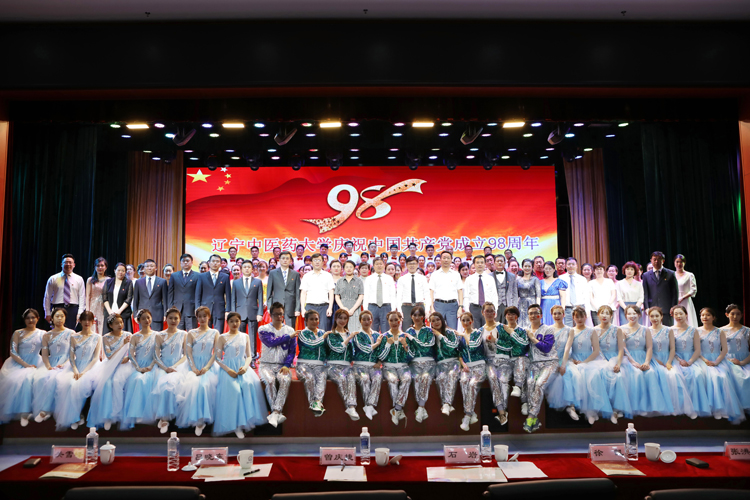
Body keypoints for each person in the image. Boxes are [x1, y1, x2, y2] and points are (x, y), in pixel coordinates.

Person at [213, 312, 268, 437]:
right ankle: (236, 425)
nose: (234, 323)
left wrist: (245, 367)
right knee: (235, 391)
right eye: (231, 321)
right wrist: (228, 370)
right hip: (227, 369)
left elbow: (249, 356)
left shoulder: (245, 336)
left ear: (240, 322)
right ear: (227, 322)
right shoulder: (222, 337)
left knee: (248, 385)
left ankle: (245, 422)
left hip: (242, 367)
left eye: (237, 321)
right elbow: (217, 358)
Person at [54, 311, 103, 430]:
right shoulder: (74, 336)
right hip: (75, 366)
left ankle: (79, 415)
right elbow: (71, 357)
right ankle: (74, 417)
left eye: (89, 320)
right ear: (80, 321)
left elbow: (95, 358)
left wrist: (84, 372)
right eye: (84, 320)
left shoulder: (97, 337)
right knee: (69, 384)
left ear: (93, 322)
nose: (87, 322)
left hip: (91, 367)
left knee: (81, 385)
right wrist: (75, 370)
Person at [176, 306, 220, 436]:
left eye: (204, 316)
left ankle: (203, 419)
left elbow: (216, 353)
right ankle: (196, 420)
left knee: (205, 386)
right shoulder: (191, 333)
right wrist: (193, 368)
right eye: (199, 316)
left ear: (209, 317)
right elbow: (188, 352)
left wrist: (206, 367)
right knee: (192, 386)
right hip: (192, 365)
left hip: (208, 365)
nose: (202, 319)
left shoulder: (215, 333)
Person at [696, 308, 745, 422]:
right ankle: (711, 408)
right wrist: (705, 360)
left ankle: (722, 409)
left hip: (718, 359)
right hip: (702, 359)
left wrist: (717, 362)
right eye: (703, 315)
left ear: (713, 317)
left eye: (708, 315)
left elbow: (724, 350)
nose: (705, 317)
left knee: (722, 377)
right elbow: (696, 350)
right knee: (711, 376)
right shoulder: (696, 331)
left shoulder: (720, 331)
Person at [648, 306, 698, 418]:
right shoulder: (647, 331)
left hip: (668, 359)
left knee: (674, 375)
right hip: (653, 359)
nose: (654, 318)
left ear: (661, 316)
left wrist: (669, 362)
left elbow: (672, 349)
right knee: (655, 375)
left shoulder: (668, 330)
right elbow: (647, 349)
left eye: (657, 316)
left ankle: (677, 407)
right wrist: (656, 361)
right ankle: (659, 406)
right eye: (652, 316)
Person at [483, 306, 529, 425]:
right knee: (502, 380)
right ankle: (502, 411)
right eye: (508, 314)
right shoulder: (501, 328)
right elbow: (507, 346)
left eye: (513, 314)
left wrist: (511, 333)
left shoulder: (522, 330)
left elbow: (522, 345)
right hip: (505, 361)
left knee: (524, 368)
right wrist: (497, 341)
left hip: (519, 359)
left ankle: (523, 400)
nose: (510, 316)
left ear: (517, 316)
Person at [568, 306, 614, 424]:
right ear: (573, 318)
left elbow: (596, 351)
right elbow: (567, 349)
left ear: (585, 317)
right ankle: (574, 408)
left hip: (589, 361)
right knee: (573, 375)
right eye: (577, 317)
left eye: (581, 316)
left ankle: (592, 411)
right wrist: (572, 360)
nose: (579, 319)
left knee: (594, 376)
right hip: (575, 360)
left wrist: (584, 362)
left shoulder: (591, 331)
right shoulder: (571, 331)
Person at [87, 314, 133, 430]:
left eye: (121, 322)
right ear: (110, 325)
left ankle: (118, 415)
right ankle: (106, 417)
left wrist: (128, 357)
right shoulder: (106, 338)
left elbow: (133, 351)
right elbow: (109, 355)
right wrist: (122, 345)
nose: (120, 325)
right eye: (116, 323)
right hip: (110, 364)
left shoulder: (128, 335)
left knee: (118, 382)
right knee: (106, 384)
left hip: (125, 365)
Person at [621, 306, 668, 417]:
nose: (632, 316)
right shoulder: (621, 329)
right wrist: (633, 362)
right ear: (626, 316)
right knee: (636, 375)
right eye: (629, 314)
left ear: (639, 315)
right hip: (628, 358)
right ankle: (636, 407)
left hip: (643, 357)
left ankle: (652, 406)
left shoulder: (645, 329)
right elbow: (623, 348)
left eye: (634, 313)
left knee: (651, 373)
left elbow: (649, 347)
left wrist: (647, 362)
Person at [0, 309, 44, 426]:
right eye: (28, 318)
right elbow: (13, 352)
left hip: (37, 362)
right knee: (18, 380)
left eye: (33, 317)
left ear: (37, 319)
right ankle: (20, 412)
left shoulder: (43, 333)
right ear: (24, 320)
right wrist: (26, 365)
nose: (30, 320)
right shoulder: (18, 333)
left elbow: (49, 349)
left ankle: (34, 411)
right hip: (18, 362)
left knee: (39, 379)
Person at [258, 302, 297, 427]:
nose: (279, 317)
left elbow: (292, 351)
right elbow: (271, 342)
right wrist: (288, 337)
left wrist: (287, 364)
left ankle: (275, 412)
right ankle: (276, 412)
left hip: (282, 365)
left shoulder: (290, 330)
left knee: (285, 380)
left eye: (281, 314)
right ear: (270, 315)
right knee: (270, 381)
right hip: (266, 364)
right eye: (276, 314)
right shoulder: (263, 329)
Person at [31, 308, 72, 423]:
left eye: (62, 316)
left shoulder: (71, 333)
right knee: (40, 379)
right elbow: (44, 355)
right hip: (51, 362)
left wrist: (64, 364)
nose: (60, 319)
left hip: (67, 362)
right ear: (52, 318)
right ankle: (47, 410)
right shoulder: (47, 335)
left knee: (55, 379)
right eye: (57, 316)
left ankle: (45, 410)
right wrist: (48, 366)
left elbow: (72, 354)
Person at [670, 305, 712, 418]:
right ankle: (680, 407)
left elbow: (697, 350)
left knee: (697, 375)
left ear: (686, 314)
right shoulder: (670, 330)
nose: (678, 316)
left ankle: (695, 407)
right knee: (676, 376)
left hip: (692, 358)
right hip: (676, 358)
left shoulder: (693, 330)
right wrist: (679, 360)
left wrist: (689, 362)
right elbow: (671, 349)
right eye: (676, 314)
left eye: (681, 313)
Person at [594, 305, 633, 423]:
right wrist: (605, 362)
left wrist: (618, 364)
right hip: (600, 359)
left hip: (616, 359)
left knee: (618, 377)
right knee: (598, 375)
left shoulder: (617, 330)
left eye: (607, 313)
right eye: (602, 313)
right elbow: (596, 349)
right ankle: (603, 408)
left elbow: (621, 349)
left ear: (611, 316)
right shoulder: (594, 330)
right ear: (598, 315)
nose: (604, 316)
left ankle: (616, 410)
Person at [152, 308, 189, 433]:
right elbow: (156, 356)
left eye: (176, 318)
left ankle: (169, 417)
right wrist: (165, 368)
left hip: (179, 366)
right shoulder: (159, 335)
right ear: (166, 319)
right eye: (170, 318)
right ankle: (163, 418)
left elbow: (186, 355)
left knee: (173, 386)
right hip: (162, 366)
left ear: (179, 319)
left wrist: (175, 366)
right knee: (163, 385)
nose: (173, 320)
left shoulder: (183, 334)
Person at [121, 309, 158, 429]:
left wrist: (150, 366)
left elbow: (158, 354)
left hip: (153, 365)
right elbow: (131, 354)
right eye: (143, 318)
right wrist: (138, 368)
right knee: (138, 380)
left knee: (147, 380)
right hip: (137, 366)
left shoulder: (157, 335)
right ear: (139, 321)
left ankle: (149, 415)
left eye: (148, 317)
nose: (146, 320)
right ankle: (136, 414)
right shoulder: (135, 336)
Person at [523, 304, 558, 433]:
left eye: (535, 313)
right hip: (534, 364)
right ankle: (535, 419)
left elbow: (546, 348)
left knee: (539, 384)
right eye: (530, 313)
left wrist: (532, 338)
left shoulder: (548, 330)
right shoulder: (525, 330)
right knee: (530, 382)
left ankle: (531, 417)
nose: (533, 315)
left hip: (549, 363)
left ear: (541, 315)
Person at [545, 305, 582, 421]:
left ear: (563, 314)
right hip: (551, 359)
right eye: (554, 313)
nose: (557, 316)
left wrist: (563, 364)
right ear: (552, 315)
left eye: (559, 313)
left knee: (568, 374)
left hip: (564, 359)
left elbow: (567, 348)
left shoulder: (569, 330)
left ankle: (571, 406)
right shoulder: (548, 329)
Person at [376, 311, 413, 426]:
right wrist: (388, 345)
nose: (394, 322)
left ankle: (396, 409)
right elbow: (381, 357)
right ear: (388, 321)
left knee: (407, 379)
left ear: (400, 320)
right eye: (391, 320)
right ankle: (398, 410)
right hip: (388, 367)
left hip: (403, 366)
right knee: (392, 380)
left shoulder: (406, 336)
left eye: (396, 320)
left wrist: (405, 345)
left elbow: (411, 357)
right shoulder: (384, 336)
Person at [325, 309, 360, 420]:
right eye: (340, 318)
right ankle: (350, 406)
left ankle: (351, 407)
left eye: (345, 318)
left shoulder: (349, 333)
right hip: (332, 365)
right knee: (341, 378)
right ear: (335, 319)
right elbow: (338, 349)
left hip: (347, 366)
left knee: (351, 377)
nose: (343, 320)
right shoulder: (331, 334)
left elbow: (353, 352)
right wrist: (349, 338)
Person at [403, 305, 436, 423]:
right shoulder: (408, 332)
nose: (417, 317)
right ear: (411, 317)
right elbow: (408, 351)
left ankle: (421, 407)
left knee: (425, 378)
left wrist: (412, 339)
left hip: (429, 362)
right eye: (414, 315)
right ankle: (421, 408)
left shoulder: (429, 331)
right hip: (414, 363)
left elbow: (427, 347)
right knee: (417, 378)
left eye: (419, 315)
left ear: (423, 317)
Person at [456, 310, 486, 431]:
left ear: (472, 321)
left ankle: (467, 415)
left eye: (468, 320)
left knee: (473, 384)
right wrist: (463, 364)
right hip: (467, 367)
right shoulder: (460, 336)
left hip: (479, 366)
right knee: (463, 381)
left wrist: (464, 336)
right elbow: (459, 353)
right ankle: (472, 412)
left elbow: (473, 347)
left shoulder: (477, 333)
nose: (465, 322)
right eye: (463, 320)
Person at [295, 310, 329, 416]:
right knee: (309, 377)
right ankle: (313, 403)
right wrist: (323, 338)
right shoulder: (302, 333)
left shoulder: (322, 332)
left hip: (319, 365)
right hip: (303, 364)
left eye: (316, 319)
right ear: (306, 320)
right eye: (311, 319)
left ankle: (317, 402)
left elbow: (327, 349)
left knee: (322, 376)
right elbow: (311, 345)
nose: (314, 321)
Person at [351, 310, 383, 420]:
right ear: (360, 321)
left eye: (368, 319)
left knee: (378, 377)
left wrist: (379, 362)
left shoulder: (377, 335)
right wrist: (377, 343)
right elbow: (364, 349)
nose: (366, 321)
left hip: (374, 365)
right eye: (363, 319)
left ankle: (369, 406)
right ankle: (368, 405)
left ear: (371, 320)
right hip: (359, 365)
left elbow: (381, 351)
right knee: (364, 379)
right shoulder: (357, 335)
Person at [230, 261, 264, 366]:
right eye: (244, 267)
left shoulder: (257, 282)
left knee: (252, 338)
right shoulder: (236, 283)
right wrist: (233, 314)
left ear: (252, 269)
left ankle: (252, 359)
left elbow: (260, 299)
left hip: (253, 313)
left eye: (249, 267)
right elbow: (233, 299)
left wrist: (260, 313)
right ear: (241, 269)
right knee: (239, 337)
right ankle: (240, 358)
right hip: (239, 313)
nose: (247, 269)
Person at [428, 311, 460, 416]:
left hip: (453, 362)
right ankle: (447, 404)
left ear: (442, 320)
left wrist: (440, 336)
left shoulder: (450, 333)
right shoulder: (431, 336)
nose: (436, 322)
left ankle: (446, 404)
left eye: (438, 320)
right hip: (440, 364)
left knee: (451, 375)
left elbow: (453, 347)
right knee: (440, 378)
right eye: (433, 321)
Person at [44, 254, 86, 331]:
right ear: (61, 264)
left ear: (74, 265)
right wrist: (47, 312)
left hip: (73, 309)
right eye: (66, 262)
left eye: (70, 262)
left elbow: (82, 297)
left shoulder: (79, 279)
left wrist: (80, 313)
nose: (68, 264)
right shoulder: (53, 278)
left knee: (71, 332)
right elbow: (47, 297)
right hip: (57, 308)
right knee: (57, 331)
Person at [721, 304, 750, 412]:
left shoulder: (747, 331)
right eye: (732, 314)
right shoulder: (721, 331)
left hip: (745, 360)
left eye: (738, 314)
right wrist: (728, 360)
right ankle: (734, 406)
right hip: (728, 360)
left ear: (742, 315)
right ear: (727, 315)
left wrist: (742, 362)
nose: (735, 316)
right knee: (735, 376)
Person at [195, 254, 232, 333]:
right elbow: (198, 294)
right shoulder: (202, 276)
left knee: (218, 333)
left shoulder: (225, 277)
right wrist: (197, 308)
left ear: (220, 264)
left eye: (217, 261)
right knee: (205, 333)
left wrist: (227, 310)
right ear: (209, 263)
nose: (215, 263)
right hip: (205, 309)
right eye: (213, 261)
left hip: (219, 309)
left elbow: (228, 295)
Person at [300, 253, 335, 332]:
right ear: (311, 263)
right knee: (309, 330)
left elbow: (331, 292)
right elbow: (303, 293)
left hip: (324, 306)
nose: (317, 262)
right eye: (315, 260)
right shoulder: (306, 276)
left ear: (323, 262)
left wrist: (330, 307)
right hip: (310, 306)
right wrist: (303, 308)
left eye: (319, 260)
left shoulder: (328, 275)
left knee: (323, 330)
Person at [429, 251, 464, 330]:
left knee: (452, 330)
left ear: (451, 259)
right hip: (439, 305)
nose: (446, 260)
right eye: (444, 258)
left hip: (452, 305)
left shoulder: (456, 274)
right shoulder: (435, 274)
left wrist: (460, 307)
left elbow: (460, 291)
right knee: (437, 329)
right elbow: (431, 292)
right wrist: (432, 308)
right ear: (440, 259)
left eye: (448, 258)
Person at [642, 251, 679, 327]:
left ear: (663, 261)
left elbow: (675, 292)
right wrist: (646, 307)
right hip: (652, 308)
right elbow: (645, 293)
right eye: (654, 259)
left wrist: (674, 307)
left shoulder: (670, 273)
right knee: (653, 330)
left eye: (659, 259)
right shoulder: (646, 275)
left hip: (667, 308)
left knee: (668, 329)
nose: (656, 261)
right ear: (651, 260)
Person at [266, 251, 301, 328]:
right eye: (283, 258)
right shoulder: (273, 273)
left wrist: (297, 308)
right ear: (279, 260)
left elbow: (298, 293)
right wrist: (269, 307)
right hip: (277, 305)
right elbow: (269, 292)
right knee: (277, 328)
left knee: (290, 329)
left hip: (291, 306)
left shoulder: (295, 274)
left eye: (287, 258)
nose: (285, 260)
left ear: (290, 260)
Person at [363, 258, 397, 333]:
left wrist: (393, 309)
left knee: (386, 331)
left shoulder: (389, 278)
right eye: (377, 264)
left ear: (384, 265)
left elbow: (392, 295)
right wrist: (366, 309)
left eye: (381, 264)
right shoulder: (369, 279)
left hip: (386, 307)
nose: (379, 266)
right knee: (372, 331)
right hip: (372, 307)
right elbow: (366, 295)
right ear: (373, 266)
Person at [463, 255, 498, 329]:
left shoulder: (490, 279)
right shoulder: (469, 279)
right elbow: (466, 296)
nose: (480, 264)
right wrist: (467, 310)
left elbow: (494, 295)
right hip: (474, 308)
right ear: (474, 264)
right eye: (477, 262)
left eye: (482, 262)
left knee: (488, 330)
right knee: (475, 331)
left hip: (487, 309)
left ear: (485, 264)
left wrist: (495, 309)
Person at [132, 259, 168, 330]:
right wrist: (135, 314)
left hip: (157, 315)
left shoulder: (162, 281)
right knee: (143, 336)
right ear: (144, 268)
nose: (149, 268)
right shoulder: (138, 282)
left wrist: (165, 314)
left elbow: (165, 300)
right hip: (142, 315)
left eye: (151, 266)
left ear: (156, 268)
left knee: (157, 336)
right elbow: (135, 300)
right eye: (147, 266)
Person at [397, 257, 430, 330]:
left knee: (421, 330)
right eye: (410, 264)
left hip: (419, 306)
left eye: (414, 263)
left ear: (417, 264)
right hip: (406, 307)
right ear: (406, 265)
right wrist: (399, 310)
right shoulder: (402, 279)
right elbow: (399, 296)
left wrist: (427, 309)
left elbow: (427, 294)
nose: (412, 266)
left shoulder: (422, 278)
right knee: (406, 330)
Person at [168, 253, 199, 331]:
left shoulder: (197, 276)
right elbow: (170, 293)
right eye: (183, 261)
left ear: (192, 262)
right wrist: (170, 307)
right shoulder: (174, 275)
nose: (185, 262)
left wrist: (197, 308)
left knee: (191, 333)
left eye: (187, 261)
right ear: (180, 263)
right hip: (177, 309)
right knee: (178, 333)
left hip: (191, 309)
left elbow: (198, 293)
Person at [335, 260, 365, 332]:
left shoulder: (359, 281)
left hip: (355, 309)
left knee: (354, 330)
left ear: (354, 268)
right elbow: (337, 296)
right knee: (342, 330)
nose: (349, 269)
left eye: (351, 267)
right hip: (343, 308)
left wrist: (353, 309)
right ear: (343, 269)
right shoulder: (340, 281)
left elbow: (361, 296)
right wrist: (342, 308)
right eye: (347, 267)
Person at [492, 254, 518, 325]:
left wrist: (514, 308)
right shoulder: (489, 276)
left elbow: (515, 293)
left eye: (501, 261)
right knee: (495, 327)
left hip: (508, 305)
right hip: (494, 306)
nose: (500, 262)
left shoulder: (512, 276)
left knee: (508, 326)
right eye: (498, 261)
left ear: (505, 263)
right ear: (494, 263)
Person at [616, 262, 644, 326]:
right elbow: (619, 298)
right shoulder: (619, 283)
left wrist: (635, 309)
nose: (629, 271)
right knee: (625, 328)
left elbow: (641, 298)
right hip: (624, 308)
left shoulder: (639, 284)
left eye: (632, 269)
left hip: (636, 308)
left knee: (637, 327)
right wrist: (626, 309)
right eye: (628, 269)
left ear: (635, 271)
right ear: (624, 270)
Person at [540, 261, 568, 326]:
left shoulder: (559, 282)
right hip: (543, 305)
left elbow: (563, 296)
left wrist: (562, 309)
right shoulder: (540, 282)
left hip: (555, 304)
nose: (548, 270)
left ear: (553, 270)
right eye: (546, 268)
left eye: (550, 268)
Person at [86, 257, 109, 334]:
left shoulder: (109, 280)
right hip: (93, 306)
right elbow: (87, 296)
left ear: (106, 267)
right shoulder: (90, 280)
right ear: (95, 267)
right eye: (98, 265)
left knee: (102, 326)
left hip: (104, 307)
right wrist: (87, 310)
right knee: (92, 326)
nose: (100, 267)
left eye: (102, 265)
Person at [674, 254, 698, 327]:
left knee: (688, 319)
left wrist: (682, 297)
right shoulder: (672, 275)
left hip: (686, 300)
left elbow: (693, 290)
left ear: (684, 263)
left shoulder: (689, 275)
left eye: (681, 262)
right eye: (677, 262)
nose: (679, 264)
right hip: (675, 301)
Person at [517, 259, 541, 329]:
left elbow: (538, 295)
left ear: (532, 267)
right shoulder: (518, 280)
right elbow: (516, 295)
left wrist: (537, 308)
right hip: (521, 305)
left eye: (529, 266)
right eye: (525, 266)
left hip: (532, 303)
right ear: (522, 267)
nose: (527, 268)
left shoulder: (535, 279)